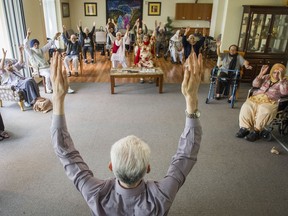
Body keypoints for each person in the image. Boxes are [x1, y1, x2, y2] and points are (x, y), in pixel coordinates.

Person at [50, 51, 203, 215]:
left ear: (110, 166)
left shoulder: (94, 193)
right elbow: (186, 155)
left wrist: (58, 98)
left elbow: (65, 152)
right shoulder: (161, 195)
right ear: (148, 168)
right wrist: (191, 99)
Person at [236, 63, 288, 142]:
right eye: (274, 72)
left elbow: (284, 92)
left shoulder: (284, 81)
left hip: (271, 100)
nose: (276, 74)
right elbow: (255, 84)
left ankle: (256, 131)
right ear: (271, 71)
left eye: (279, 73)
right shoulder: (267, 77)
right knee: (247, 106)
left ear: (282, 73)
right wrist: (261, 74)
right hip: (257, 97)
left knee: (264, 110)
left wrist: (281, 80)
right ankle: (244, 128)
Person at [23, 28, 61, 93]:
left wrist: (55, 36)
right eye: (35, 44)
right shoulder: (31, 52)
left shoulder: (41, 50)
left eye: (37, 44)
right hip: (40, 69)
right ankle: (48, 88)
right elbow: (26, 47)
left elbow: (49, 45)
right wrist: (27, 36)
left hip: (47, 67)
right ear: (32, 45)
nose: (36, 45)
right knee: (48, 75)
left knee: (57, 72)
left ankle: (60, 86)